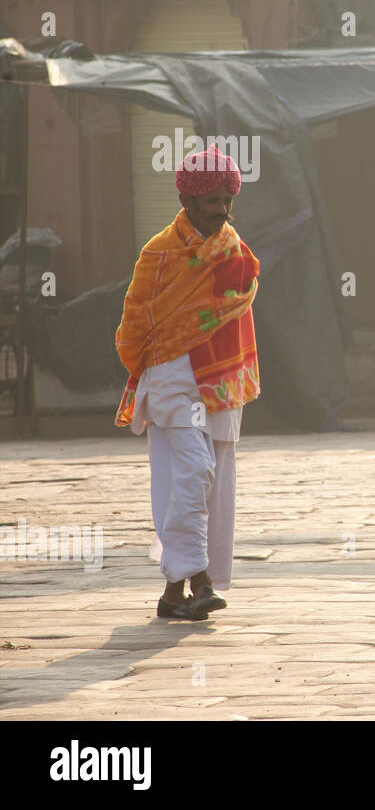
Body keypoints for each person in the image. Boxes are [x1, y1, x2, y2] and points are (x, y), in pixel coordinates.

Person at [115, 145, 260, 621]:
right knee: (194, 473)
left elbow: (236, 308)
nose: (221, 210)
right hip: (171, 375)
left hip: (219, 381)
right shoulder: (158, 253)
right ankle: (202, 582)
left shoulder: (234, 251)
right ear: (186, 199)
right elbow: (136, 320)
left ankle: (174, 591)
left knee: (205, 484)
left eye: (226, 200)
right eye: (211, 201)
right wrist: (146, 360)